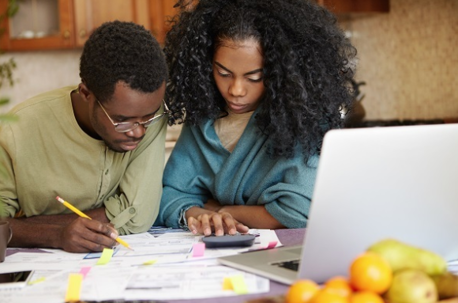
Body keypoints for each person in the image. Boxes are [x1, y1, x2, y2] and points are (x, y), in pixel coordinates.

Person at [155, 0, 357, 236]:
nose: (236, 90)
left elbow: (300, 211)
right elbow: (170, 194)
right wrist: (199, 215)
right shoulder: (203, 118)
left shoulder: (302, 120)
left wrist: (223, 210)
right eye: (223, 73)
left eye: (253, 77)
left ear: (280, 72)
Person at [0, 21, 168, 253]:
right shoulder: (16, 130)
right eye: (122, 120)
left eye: (147, 118)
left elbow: (137, 215)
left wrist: (26, 226)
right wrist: (56, 234)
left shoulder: (150, 115)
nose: (138, 131)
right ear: (86, 94)